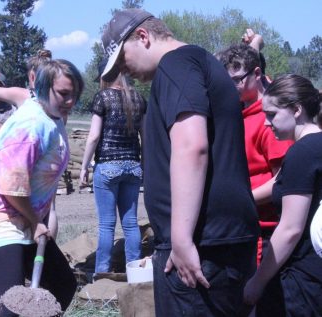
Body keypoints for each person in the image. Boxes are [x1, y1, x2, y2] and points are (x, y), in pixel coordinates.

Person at [100, 9, 260, 316]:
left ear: (143, 37)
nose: (123, 70)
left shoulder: (176, 64)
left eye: (122, 59)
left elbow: (192, 145)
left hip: (201, 245)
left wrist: (182, 238)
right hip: (218, 241)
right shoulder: (200, 62)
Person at [0, 59, 84, 317]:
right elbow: (10, 186)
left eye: (75, 94)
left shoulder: (48, 113)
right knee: (8, 308)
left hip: (23, 219)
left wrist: (42, 219)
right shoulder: (31, 125)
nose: (71, 101)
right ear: (42, 87)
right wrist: (36, 220)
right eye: (64, 94)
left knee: (61, 286)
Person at [243, 74, 322, 316]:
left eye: (272, 114)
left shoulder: (302, 154)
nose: (267, 123)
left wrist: (258, 281)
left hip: (303, 279)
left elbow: (290, 229)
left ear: (297, 109)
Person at [217, 43, 293, 265]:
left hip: (265, 231)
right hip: (244, 224)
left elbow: (282, 180)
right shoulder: (240, 115)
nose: (231, 88)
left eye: (236, 80)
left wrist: (241, 200)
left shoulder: (271, 121)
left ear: (257, 73)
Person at [79, 59, 146, 274]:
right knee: (131, 223)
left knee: (107, 225)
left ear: (104, 77)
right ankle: (135, 272)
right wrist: (143, 164)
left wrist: (83, 167)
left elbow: (94, 136)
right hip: (134, 166)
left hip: (107, 166)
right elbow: (144, 136)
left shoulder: (103, 97)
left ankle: (102, 275)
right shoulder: (138, 98)